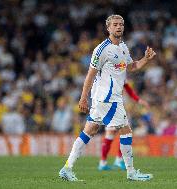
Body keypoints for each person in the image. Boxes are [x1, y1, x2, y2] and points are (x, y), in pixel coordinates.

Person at [59, 14, 156, 181]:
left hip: (106, 99)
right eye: (115, 24)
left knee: (89, 130)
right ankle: (131, 173)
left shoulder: (123, 47)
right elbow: (90, 74)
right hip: (107, 98)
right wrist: (83, 98)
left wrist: (145, 59)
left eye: (121, 24)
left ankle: (67, 168)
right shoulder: (102, 49)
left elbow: (131, 67)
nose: (118, 27)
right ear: (108, 28)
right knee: (126, 130)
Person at [98, 82, 149, 171]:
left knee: (118, 135)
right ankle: (113, 161)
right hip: (112, 108)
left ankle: (107, 162)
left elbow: (128, 88)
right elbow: (127, 88)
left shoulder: (119, 76)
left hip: (117, 109)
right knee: (120, 134)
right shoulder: (113, 75)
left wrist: (138, 100)